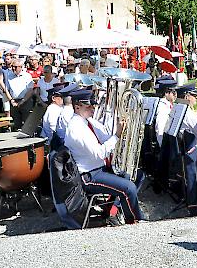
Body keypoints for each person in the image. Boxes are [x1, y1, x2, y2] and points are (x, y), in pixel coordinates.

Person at [64, 88, 143, 224]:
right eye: (89, 105)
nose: (93, 108)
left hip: (98, 169)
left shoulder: (88, 122)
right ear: (77, 106)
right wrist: (117, 135)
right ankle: (136, 221)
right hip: (89, 175)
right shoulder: (75, 128)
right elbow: (100, 153)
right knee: (128, 188)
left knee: (134, 175)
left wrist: (123, 127)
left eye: (93, 105)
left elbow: (106, 138)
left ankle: (111, 211)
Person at [5, 59, 35, 130]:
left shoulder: (27, 76)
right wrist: (12, 100)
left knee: (27, 122)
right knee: (16, 123)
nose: (13, 68)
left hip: (26, 101)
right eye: (12, 66)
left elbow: (30, 90)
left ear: (21, 67)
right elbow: (6, 90)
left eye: (15, 67)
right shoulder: (9, 76)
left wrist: (23, 101)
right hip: (14, 102)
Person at [154, 79, 177, 146]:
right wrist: (163, 147)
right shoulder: (163, 107)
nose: (175, 95)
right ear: (166, 93)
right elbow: (160, 129)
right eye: (174, 92)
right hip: (165, 145)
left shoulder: (167, 104)